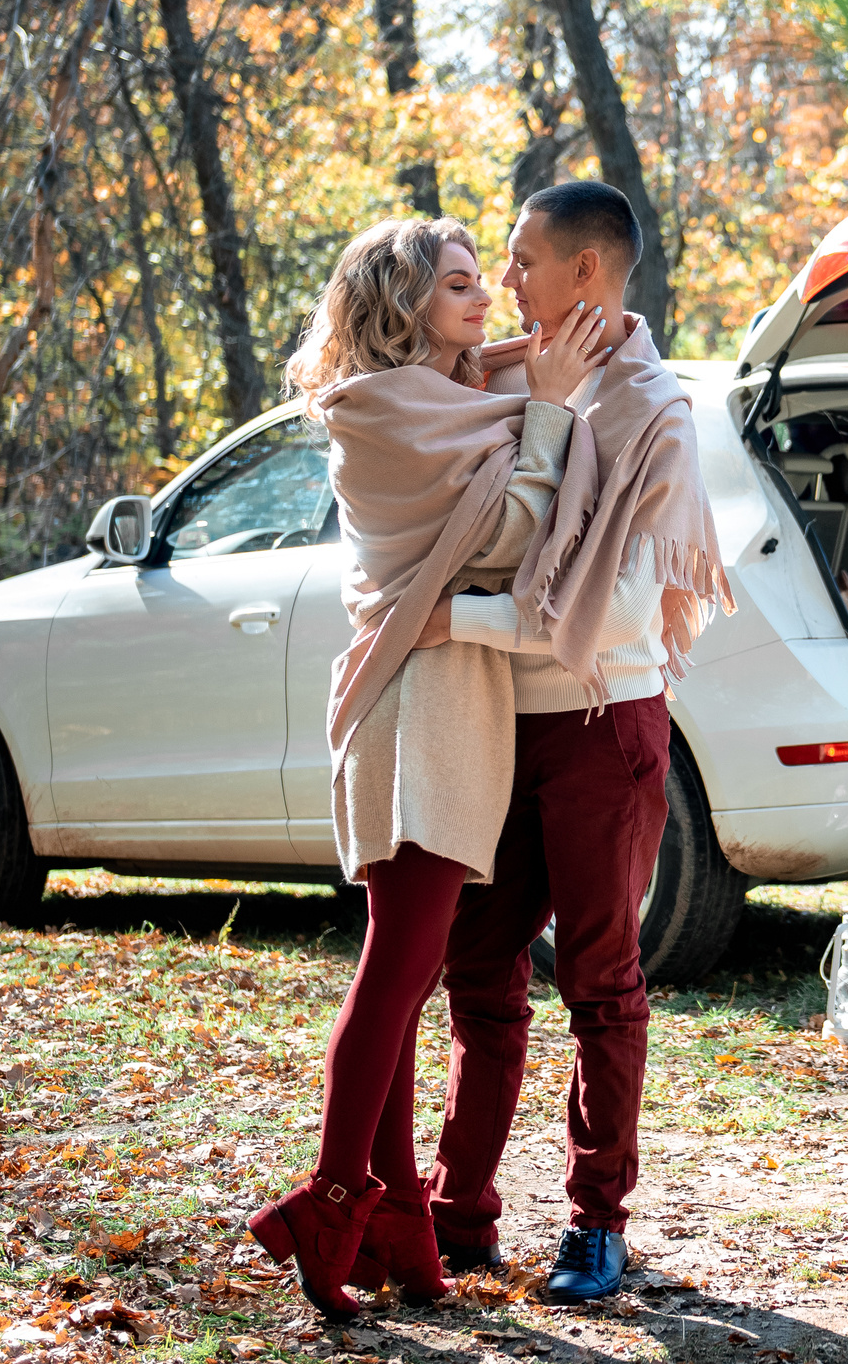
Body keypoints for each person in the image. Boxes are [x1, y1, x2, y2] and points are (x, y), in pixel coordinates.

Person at [247, 217, 610, 1321]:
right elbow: (503, 534)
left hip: (446, 703)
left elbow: (509, 398)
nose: (483, 299)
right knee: (401, 969)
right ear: (403, 301)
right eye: (459, 283)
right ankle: (329, 1196)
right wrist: (548, 410)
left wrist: (540, 378)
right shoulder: (382, 408)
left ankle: (398, 1214)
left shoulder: (454, 394)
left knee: (404, 973)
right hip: (415, 706)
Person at [407, 179, 731, 1303]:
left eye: (523, 259)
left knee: (601, 979)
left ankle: (597, 1221)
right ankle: (461, 1211)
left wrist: (458, 617)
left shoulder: (654, 413)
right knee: (476, 965)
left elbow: (628, 607)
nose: (506, 281)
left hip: (605, 725)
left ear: (585, 271)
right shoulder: (502, 375)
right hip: (502, 721)